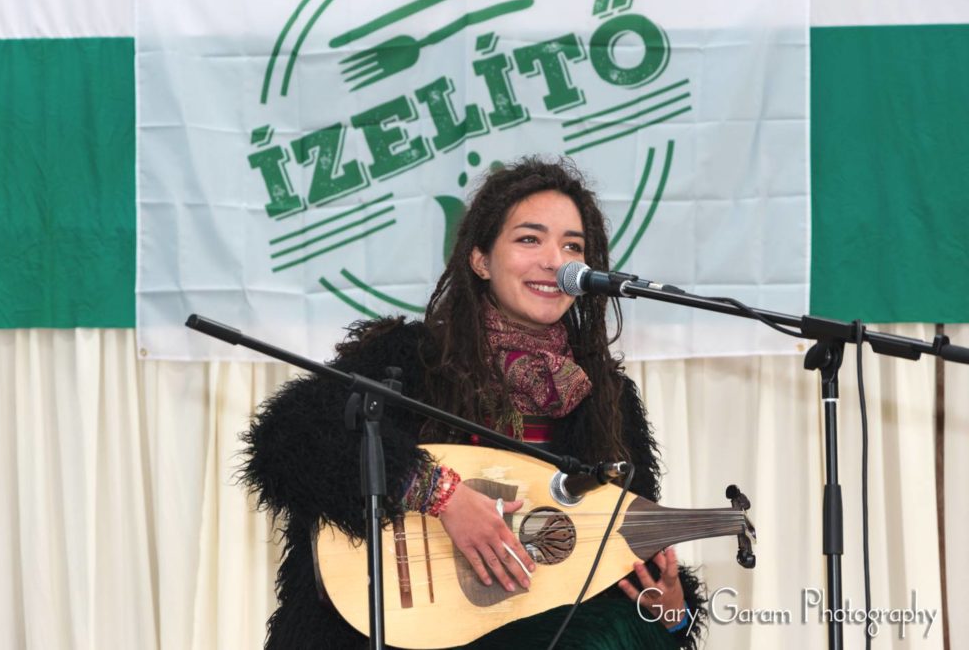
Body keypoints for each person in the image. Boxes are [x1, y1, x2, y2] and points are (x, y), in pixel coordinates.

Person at [241, 157, 707, 649]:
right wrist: (440, 495)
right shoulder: (410, 358)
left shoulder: (608, 400)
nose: (557, 261)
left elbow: (618, 558)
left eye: (573, 246)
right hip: (394, 627)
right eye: (530, 239)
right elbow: (290, 439)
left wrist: (672, 611)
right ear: (481, 260)